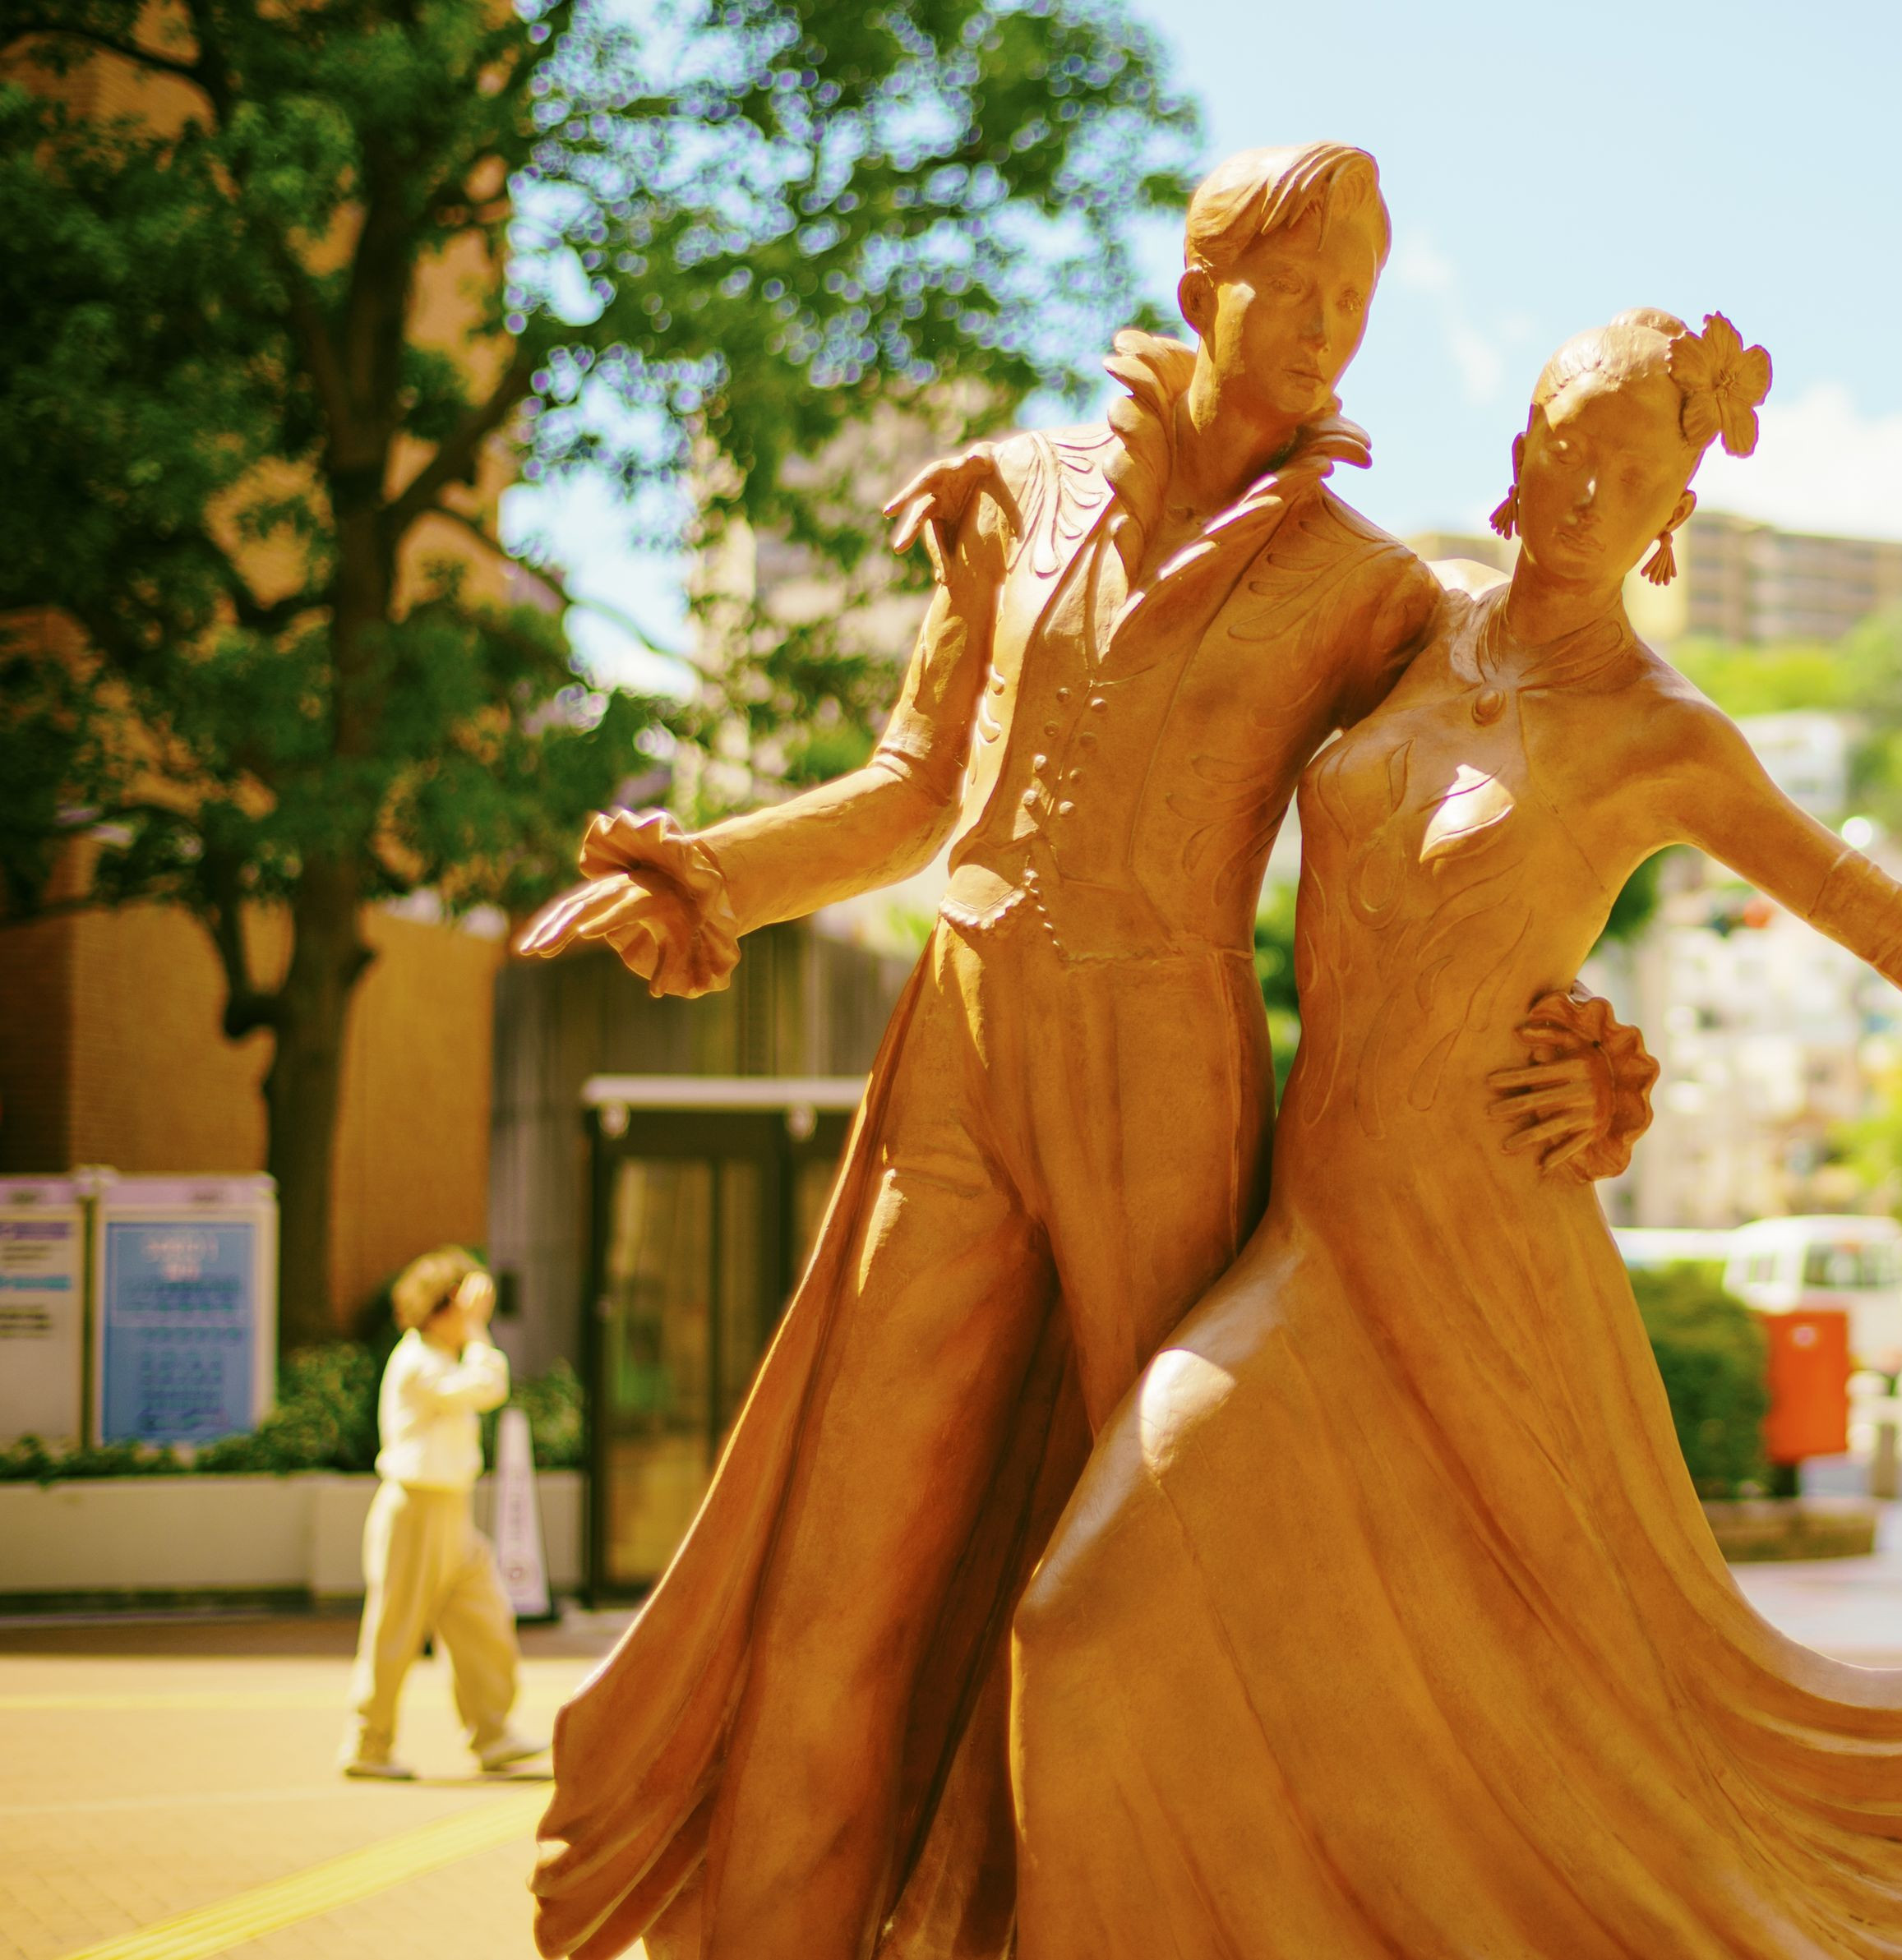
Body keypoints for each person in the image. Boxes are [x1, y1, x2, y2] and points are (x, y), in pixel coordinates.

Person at [1005, 310, 1902, 1957]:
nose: (1585, 494)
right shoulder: (1405, 625)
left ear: (1671, 520)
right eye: (1567, 452)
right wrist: (1017, 491)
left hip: (1483, 1275)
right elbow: (1190, 604)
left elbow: (1890, 923)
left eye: (1629, 477)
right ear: (1517, 451)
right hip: (1315, 1244)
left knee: (1480, 1726)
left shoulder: (1658, 732)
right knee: (1109, 1630)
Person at [517, 145, 1648, 1960]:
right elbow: (912, 788)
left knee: (1165, 1564)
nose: (1333, 323)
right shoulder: (1018, 497)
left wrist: (1574, 1048)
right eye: (1300, 281)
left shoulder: (1370, 591)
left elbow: (1503, 795)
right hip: (958, 1044)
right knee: (843, 1566)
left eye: (1361, 295)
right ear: (1204, 286)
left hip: (1168, 1063)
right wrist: (708, 871)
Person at [342, 1248, 544, 1781]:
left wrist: (472, 1325)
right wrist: (478, 1328)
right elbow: (487, 1387)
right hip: (415, 1508)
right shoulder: (418, 1360)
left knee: (484, 1620)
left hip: (451, 1509)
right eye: (466, 1306)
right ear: (442, 1307)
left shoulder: (439, 1357)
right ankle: (368, 1744)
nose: (476, 1317)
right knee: (394, 1631)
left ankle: (492, 1732)